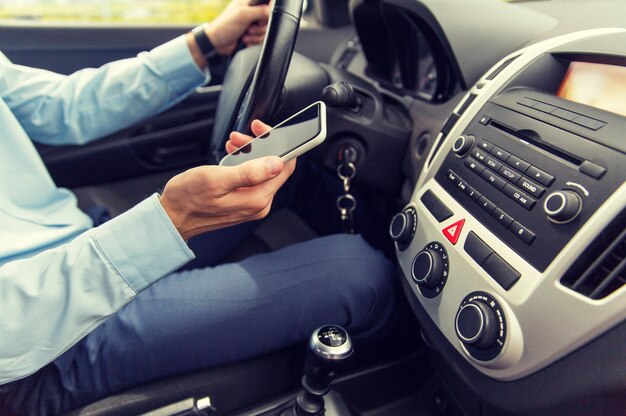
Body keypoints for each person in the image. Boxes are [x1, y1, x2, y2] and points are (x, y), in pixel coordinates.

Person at [0, 1, 396, 414]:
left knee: (286, 175)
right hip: (40, 344)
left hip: (74, 247)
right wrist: (171, 221)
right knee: (360, 272)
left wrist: (205, 42)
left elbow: (62, 105)